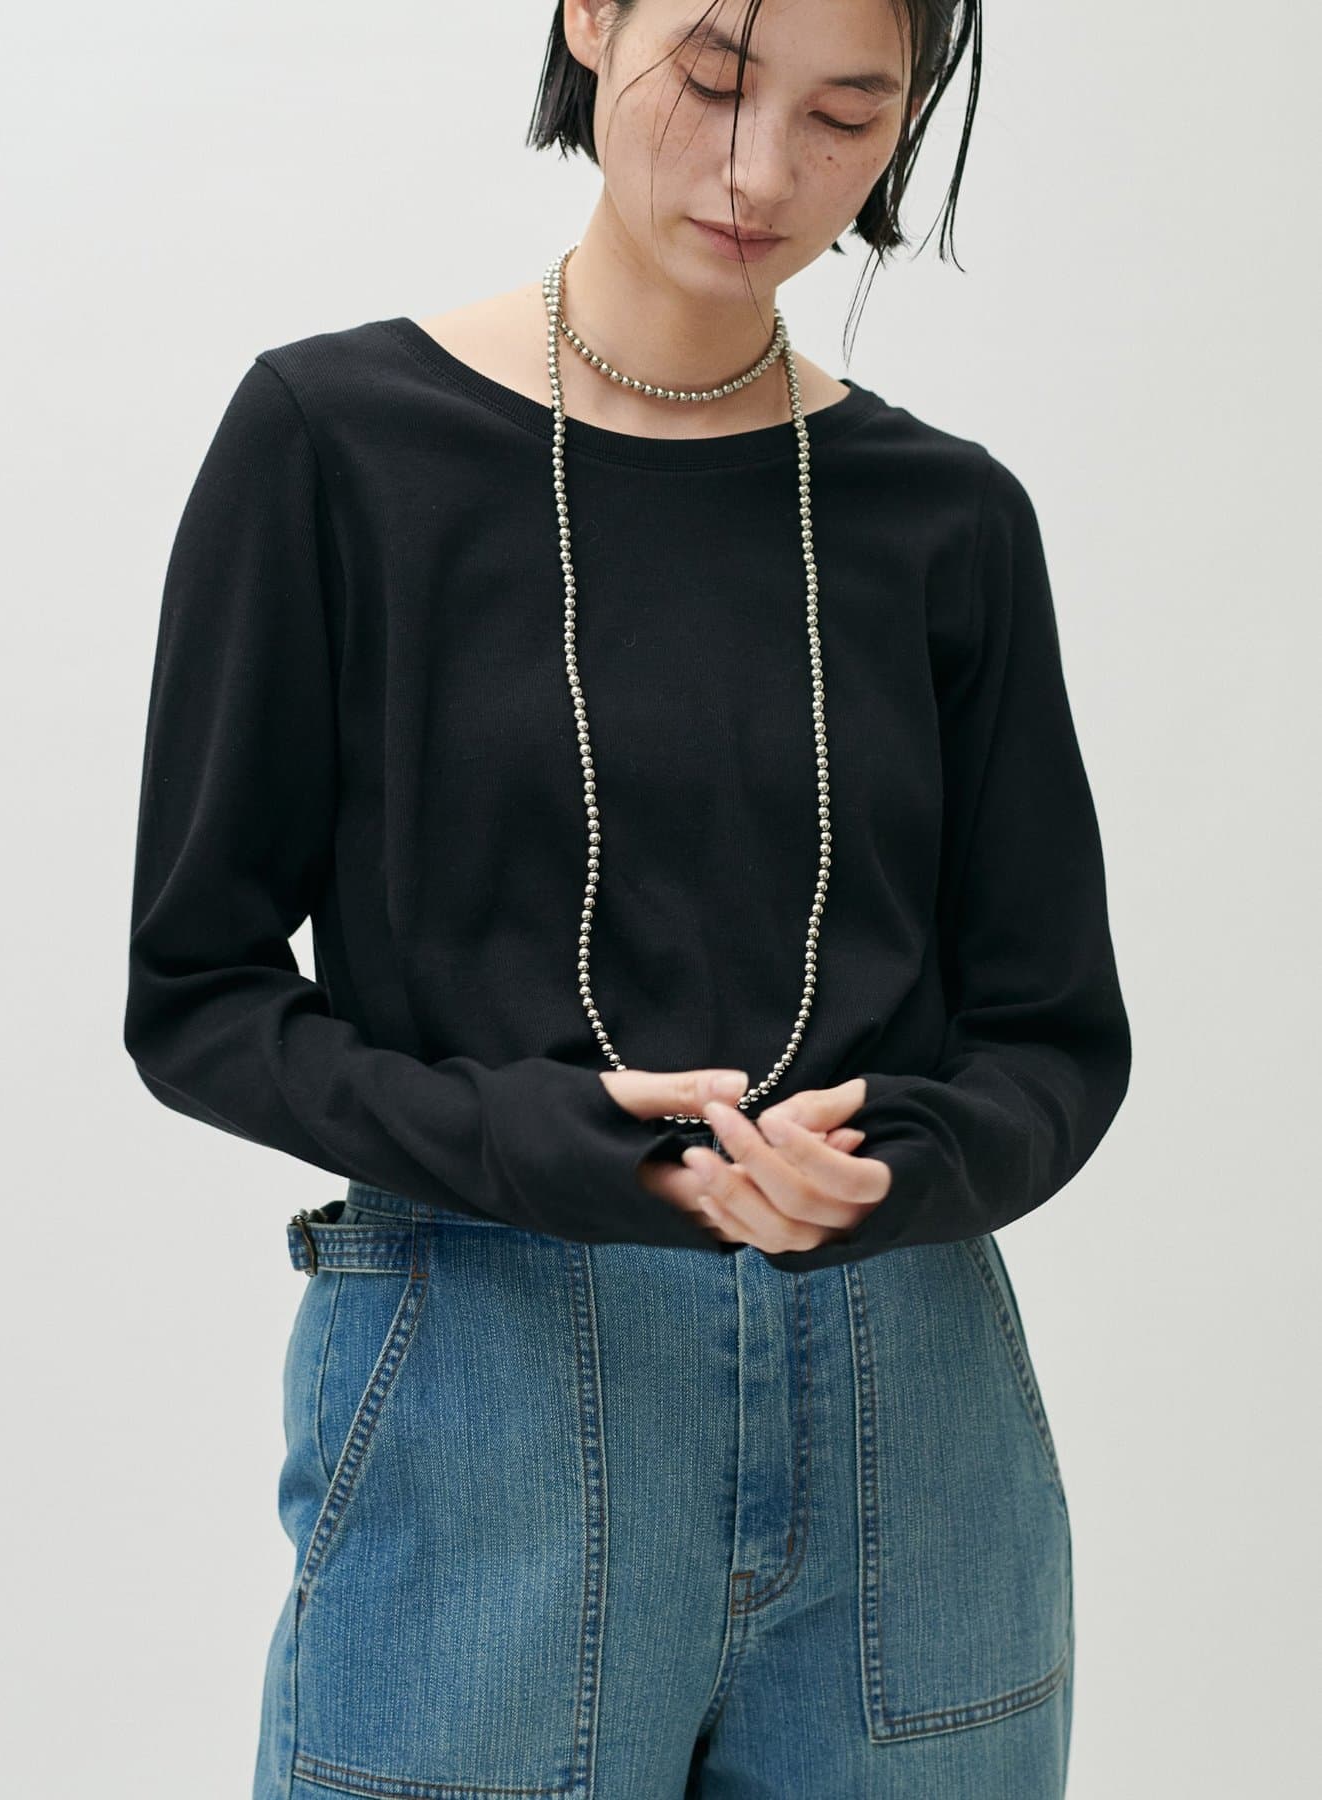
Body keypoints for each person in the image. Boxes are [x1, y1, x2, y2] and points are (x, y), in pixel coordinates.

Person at [123, 2, 1132, 1794]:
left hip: (916, 1417)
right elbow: (198, 995)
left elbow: (1056, 1036)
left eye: (845, 118)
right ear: (593, 14)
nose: (763, 172)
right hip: (490, 1381)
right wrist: (543, 1138)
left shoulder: (949, 519)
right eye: (718, 80)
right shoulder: (336, 443)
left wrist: (896, 1164)